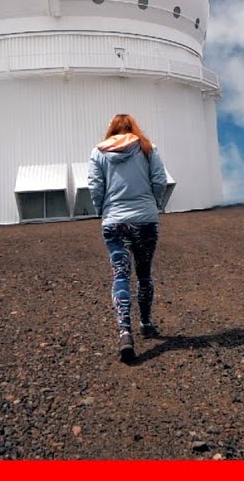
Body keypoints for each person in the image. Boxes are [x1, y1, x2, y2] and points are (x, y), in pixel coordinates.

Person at [88, 113, 169, 363]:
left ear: (111, 129)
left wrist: (101, 209)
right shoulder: (147, 148)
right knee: (144, 274)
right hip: (145, 220)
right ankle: (145, 322)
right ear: (134, 127)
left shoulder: (98, 152)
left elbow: (94, 185)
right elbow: (160, 180)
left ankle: (125, 332)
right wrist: (155, 204)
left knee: (120, 275)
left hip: (114, 222)